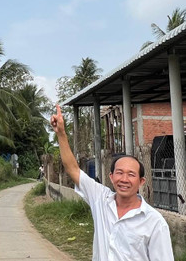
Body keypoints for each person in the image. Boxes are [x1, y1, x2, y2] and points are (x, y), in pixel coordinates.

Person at [50, 105, 174, 261]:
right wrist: (61, 133)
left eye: (131, 174)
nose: (124, 179)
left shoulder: (154, 221)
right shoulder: (100, 199)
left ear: (141, 181)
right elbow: (73, 169)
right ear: (111, 177)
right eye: (119, 173)